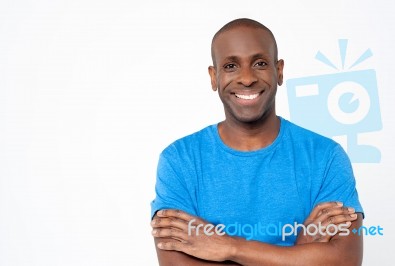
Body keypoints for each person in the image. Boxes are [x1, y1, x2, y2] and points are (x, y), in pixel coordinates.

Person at [150, 18, 363, 265]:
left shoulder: (326, 157)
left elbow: (346, 260)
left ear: (279, 71)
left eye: (260, 63)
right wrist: (298, 251)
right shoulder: (179, 160)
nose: (247, 78)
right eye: (230, 66)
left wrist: (229, 248)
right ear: (213, 77)